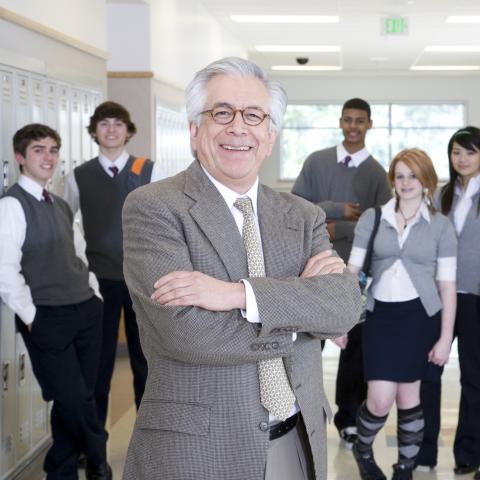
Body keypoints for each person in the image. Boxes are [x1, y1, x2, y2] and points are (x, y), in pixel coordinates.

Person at [121, 57, 361, 480]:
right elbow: (187, 333)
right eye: (222, 112)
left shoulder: (302, 216)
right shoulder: (155, 208)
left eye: (254, 115)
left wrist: (238, 295)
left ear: (269, 136)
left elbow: (343, 308)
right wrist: (298, 314)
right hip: (196, 448)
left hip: (296, 438)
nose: (238, 127)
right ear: (196, 130)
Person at [0, 124, 111, 480]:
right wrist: (31, 314)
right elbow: (4, 269)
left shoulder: (60, 204)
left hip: (86, 310)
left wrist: (94, 293)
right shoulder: (12, 206)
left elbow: (79, 257)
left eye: (53, 150)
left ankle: (60, 471)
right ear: (19, 158)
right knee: (72, 398)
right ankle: (98, 456)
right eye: (38, 150)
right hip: (47, 317)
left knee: (82, 396)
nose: (48, 158)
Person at [347, 148, 457, 480]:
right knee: (380, 401)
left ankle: (404, 466)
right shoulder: (373, 218)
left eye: (413, 175)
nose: (406, 182)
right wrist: (340, 321)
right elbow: (352, 271)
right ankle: (362, 449)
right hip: (380, 317)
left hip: (420, 318)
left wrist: (445, 339)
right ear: (392, 179)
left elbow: (447, 286)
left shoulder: (440, 226)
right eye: (400, 175)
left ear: (426, 181)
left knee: (410, 396)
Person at [292, 98, 391, 448]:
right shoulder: (316, 162)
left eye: (360, 121)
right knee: (307, 346)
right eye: (348, 120)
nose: (353, 126)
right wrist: (335, 213)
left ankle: (348, 421)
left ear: (369, 125)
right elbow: (296, 208)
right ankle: (301, 416)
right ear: (340, 122)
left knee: (355, 351)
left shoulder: (378, 174)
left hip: (356, 275)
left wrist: (341, 230)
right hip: (313, 270)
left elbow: (379, 225)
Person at [64, 101, 164, 428]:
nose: (111, 129)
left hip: (142, 280)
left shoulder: (149, 170)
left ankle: (149, 436)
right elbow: (68, 224)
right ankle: (93, 446)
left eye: (117, 124)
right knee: (98, 363)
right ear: (94, 132)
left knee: (145, 360)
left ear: (128, 131)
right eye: (104, 124)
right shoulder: (78, 176)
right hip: (99, 280)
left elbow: (163, 223)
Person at [435, 126, 480, 478]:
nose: (462, 159)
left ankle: (468, 453)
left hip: (476, 299)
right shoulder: (442, 196)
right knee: (425, 370)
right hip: (441, 296)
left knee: (473, 377)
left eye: (470, 152)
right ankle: (421, 449)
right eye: (456, 152)